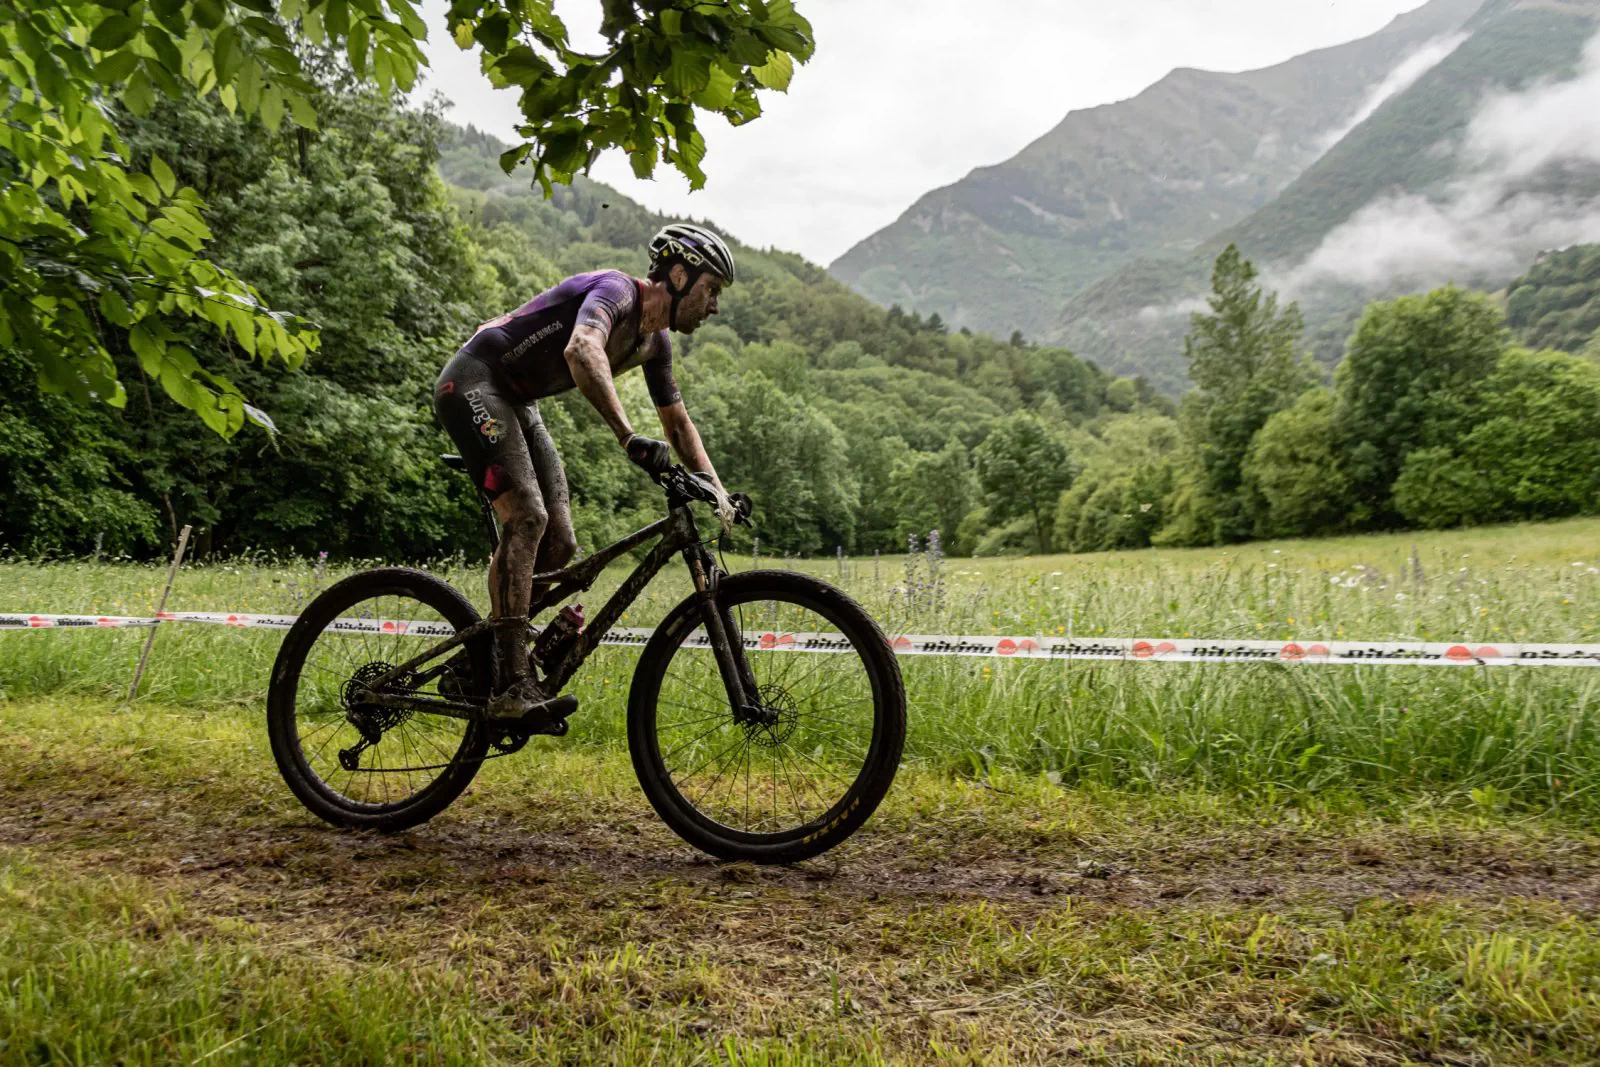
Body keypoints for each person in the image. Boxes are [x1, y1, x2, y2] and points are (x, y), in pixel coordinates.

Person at [433, 223, 737, 720]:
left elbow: (678, 424)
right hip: (472, 382)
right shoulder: (617, 291)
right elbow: (582, 349)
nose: (715, 306)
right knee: (528, 518)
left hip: (516, 401)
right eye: (711, 290)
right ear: (679, 275)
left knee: (561, 545)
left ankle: (484, 661)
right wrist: (626, 435)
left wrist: (720, 493)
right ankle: (513, 683)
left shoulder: (656, 343)